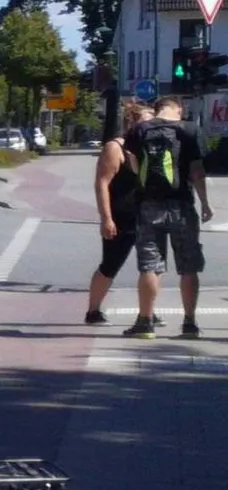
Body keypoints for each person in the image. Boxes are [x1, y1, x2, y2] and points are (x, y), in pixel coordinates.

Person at [121, 96, 211, 339]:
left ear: (158, 108)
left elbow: (133, 165)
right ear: (178, 108)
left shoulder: (140, 130)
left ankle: (145, 322)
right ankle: (190, 324)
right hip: (182, 205)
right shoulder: (190, 130)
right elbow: (197, 171)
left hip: (149, 204)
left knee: (150, 265)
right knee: (189, 265)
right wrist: (205, 203)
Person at [86, 101, 149, 324]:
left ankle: (147, 311)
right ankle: (93, 310)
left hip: (146, 216)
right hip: (120, 216)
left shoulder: (147, 148)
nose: (150, 126)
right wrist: (106, 218)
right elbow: (102, 184)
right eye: (146, 121)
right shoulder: (114, 148)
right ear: (132, 123)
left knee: (150, 266)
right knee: (110, 264)